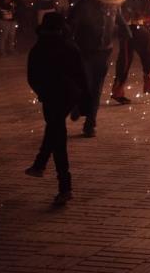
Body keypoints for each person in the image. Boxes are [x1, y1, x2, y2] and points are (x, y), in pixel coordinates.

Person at [25, 11, 89, 205]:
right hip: (68, 95)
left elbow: (32, 76)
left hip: (52, 96)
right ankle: (42, 165)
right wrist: (83, 102)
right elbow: (81, 76)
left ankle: (63, 185)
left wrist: (41, 92)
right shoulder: (70, 46)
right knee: (54, 130)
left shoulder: (39, 48)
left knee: (57, 136)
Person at [68, 0, 130, 136]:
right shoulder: (84, 4)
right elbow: (70, 24)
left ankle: (90, 124)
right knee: (84, 84)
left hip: (104, 53)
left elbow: (122, 23)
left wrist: (128, 34)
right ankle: (77, 105)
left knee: (96, 88)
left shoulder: (114, 6)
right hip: (85, 51)